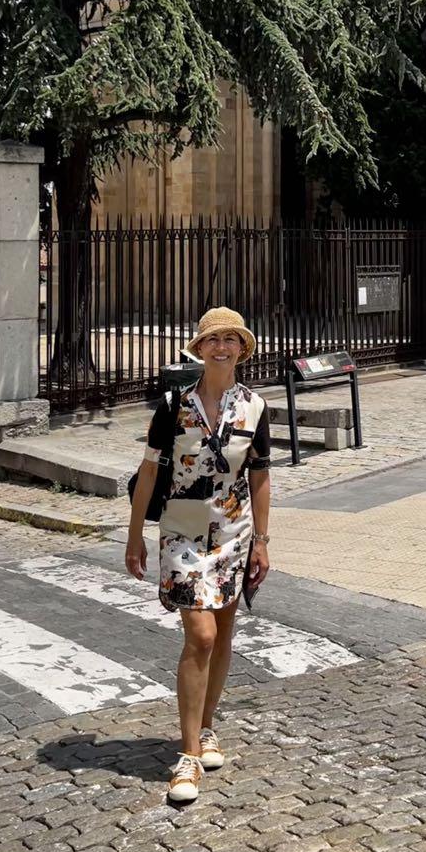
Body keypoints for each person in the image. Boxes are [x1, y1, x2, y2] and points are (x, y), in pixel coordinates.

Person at [124, 307, 271, 804]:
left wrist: (263, 542)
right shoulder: (172, 406)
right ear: (200, 349)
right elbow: (147, 474)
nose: (222, 347)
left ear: (241, 349)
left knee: (224, 631)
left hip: (234, 532)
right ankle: (187, 757)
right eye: (213, 339)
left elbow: (259, 476)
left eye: (231, 339)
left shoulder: (255, 407)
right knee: (201, 636)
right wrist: (132, 536)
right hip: (183, 533)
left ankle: (206, 727)